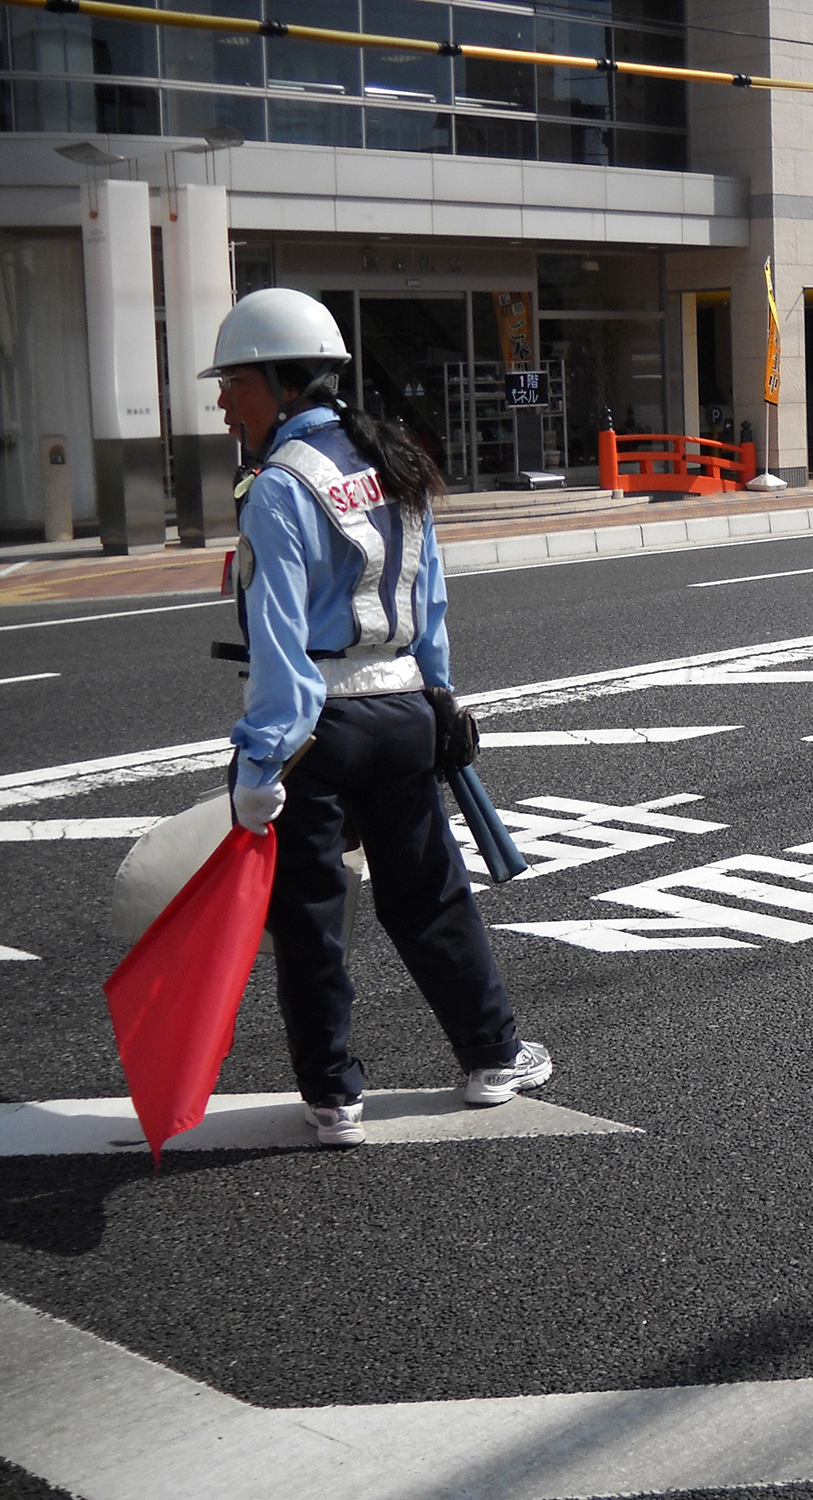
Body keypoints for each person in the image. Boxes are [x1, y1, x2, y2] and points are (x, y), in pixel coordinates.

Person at [204, 287, 551, 1148]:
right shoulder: (394, 460)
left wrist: (259, 768)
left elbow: (281, 647)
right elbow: (430, 601)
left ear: (285, 386)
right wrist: (439, 699)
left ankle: (333, 1098)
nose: (222, 402)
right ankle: (491, 1056)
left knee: (312, 918)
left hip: (319, 724)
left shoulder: (279, 487)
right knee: (431, 895)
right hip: (401, 709)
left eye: (234, 384)